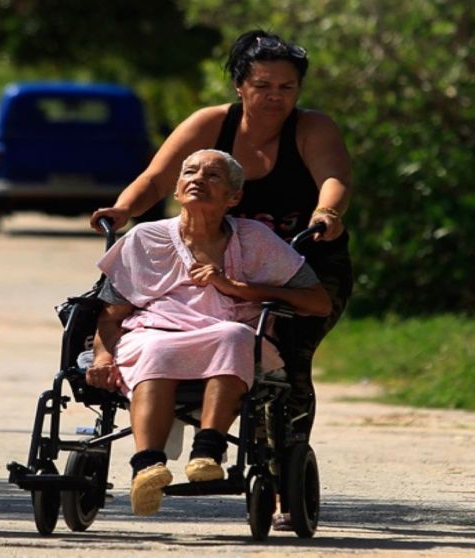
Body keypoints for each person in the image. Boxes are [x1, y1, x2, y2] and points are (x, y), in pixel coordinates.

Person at [90, 29, 352, 447]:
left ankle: (282, 453)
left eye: (286, 87)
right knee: (171, 327)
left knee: (289, 354)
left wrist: (327, 213)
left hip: (295, 262)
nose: (274, 96)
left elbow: (334, 179)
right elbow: (157, 178)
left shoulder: (311, 127)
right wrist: (123, 209)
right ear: (239, 86)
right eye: (262, 86)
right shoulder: (210, 124)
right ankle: (171, 420)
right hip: (209, 252)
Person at [85, 149, 331, 517]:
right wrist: (103, 357)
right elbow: (110, 316)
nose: (198, 179)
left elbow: (318, 302)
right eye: (190, 172)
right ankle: (147, 467)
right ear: (177, 189)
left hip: (231, 335)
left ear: (234, 197)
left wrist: (240, 288)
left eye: (212, 176)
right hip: (155, 331)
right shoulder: (144, 238)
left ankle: (207, 451)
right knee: (155, 348)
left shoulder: (256, 239)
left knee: (232, 336)